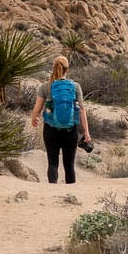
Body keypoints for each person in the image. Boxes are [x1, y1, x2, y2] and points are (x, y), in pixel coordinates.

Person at [30, 55, 91, 184]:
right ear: (67, 69)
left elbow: (37, 108)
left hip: (51, 130)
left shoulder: (45, 87)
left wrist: (34, 119)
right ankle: (70, 196)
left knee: (52, 163)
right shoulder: (75, 86)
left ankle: (53, 192)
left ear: (53, 68)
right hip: (71, 131)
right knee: (69, 166)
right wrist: (86, 131)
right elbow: (81, 109)